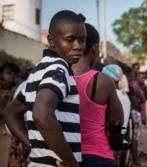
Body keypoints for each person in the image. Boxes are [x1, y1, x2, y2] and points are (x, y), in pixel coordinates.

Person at [2, 10, 86, 167]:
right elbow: (41, 113)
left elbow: (10, 113)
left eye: (82, 40)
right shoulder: (59, 70)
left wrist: (34, 148)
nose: (78, 46)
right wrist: (72, 164)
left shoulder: (39, 70)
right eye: (70, 40)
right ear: (52, 41)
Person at [72, 23, 124, 167]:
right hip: (98, 156)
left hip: (66, 155)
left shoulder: (58, 78)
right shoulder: (102, 81)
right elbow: (118, 120)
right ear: (95, 48)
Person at [0, 62, 28, 167]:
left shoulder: (23, 88)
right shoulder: (16, 90)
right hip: (17, 139)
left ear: (12, 74)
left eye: (4, 78)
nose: (3, 82)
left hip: (22, 140)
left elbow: (20, 117)